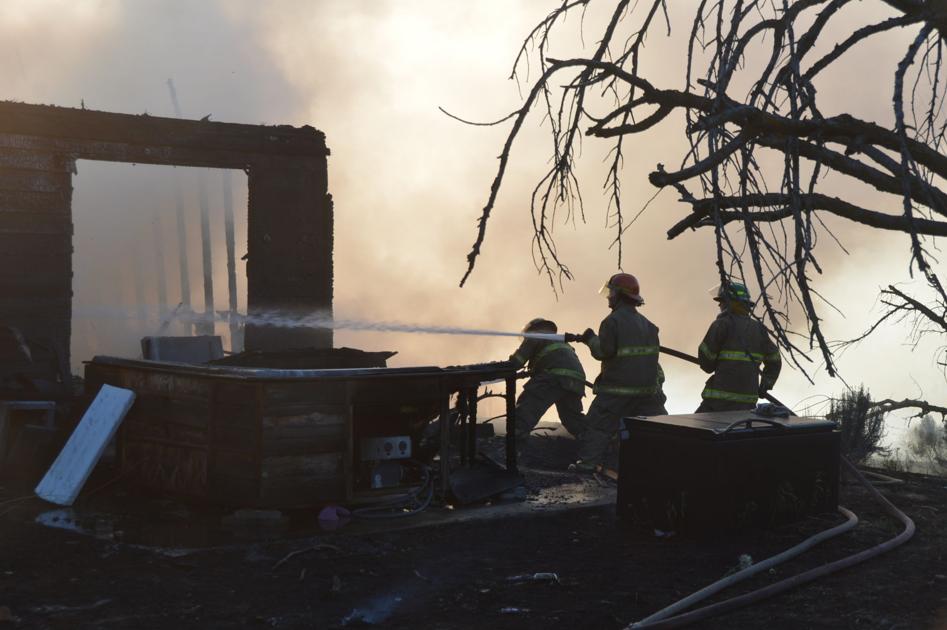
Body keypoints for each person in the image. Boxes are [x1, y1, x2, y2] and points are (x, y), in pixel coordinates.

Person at [571, 273, 667, 473]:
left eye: (611, 292)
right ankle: (664, 466)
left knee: (598, 426)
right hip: (647, 392)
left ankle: (587, 465)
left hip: (617, 391)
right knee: (657, 430)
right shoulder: (649, 326)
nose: (608, 297)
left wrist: (590, 338)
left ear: (619, 295)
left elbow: (602, 352)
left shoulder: (611, 322)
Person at [696, 281, 781, 412]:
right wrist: (765, 385)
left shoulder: (721, 325)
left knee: (694, 431)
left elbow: (706, 363)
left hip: (718, 404)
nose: (719, 304)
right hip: (748, 405)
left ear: (730, 303)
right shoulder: (759, 329)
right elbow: (775, 360)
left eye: (722, 301)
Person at [508, 318, 587, 449]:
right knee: (573, 420)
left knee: (526, 409)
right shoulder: (562, 342)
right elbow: (553, 359)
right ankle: (596, 447)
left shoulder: (536, 335)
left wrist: (501, 366)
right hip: (576, 380)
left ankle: (513, 449)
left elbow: (516, 362)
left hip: (552, 378)